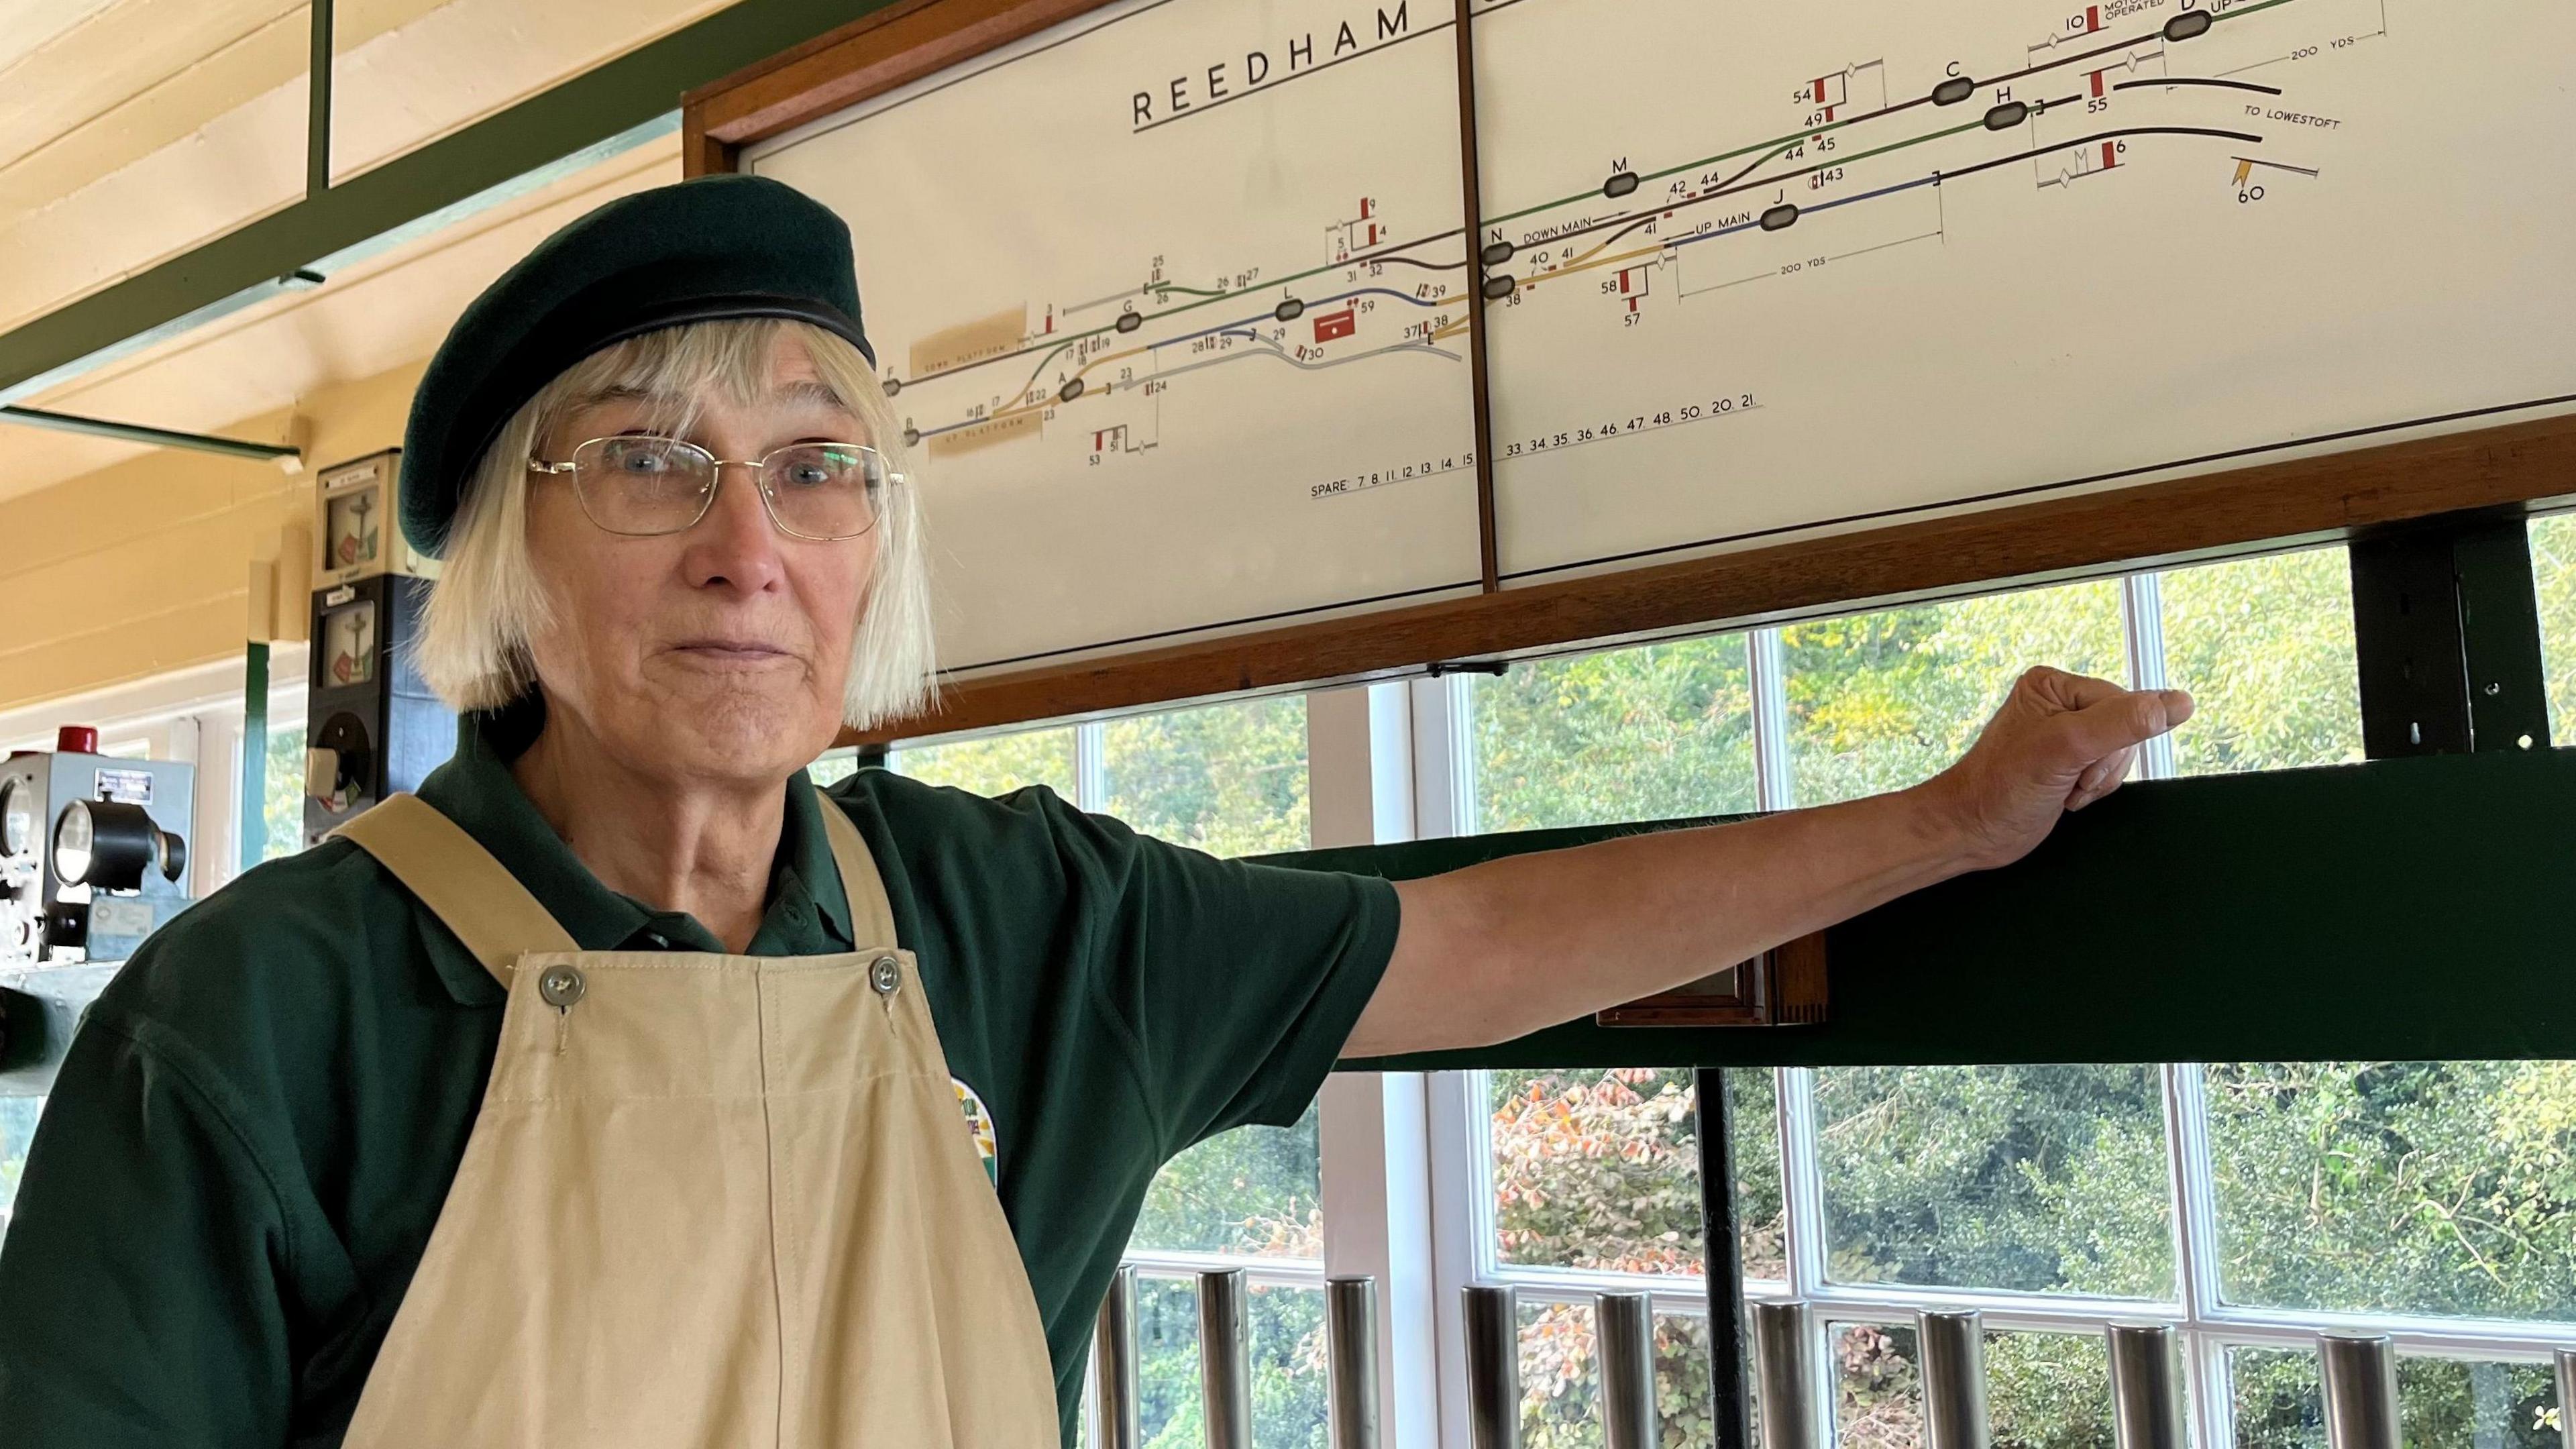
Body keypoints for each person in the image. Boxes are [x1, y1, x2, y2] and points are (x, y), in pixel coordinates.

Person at [0, 174, 2189, 1447]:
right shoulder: (255, 1026)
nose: (749, 549)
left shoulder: (1026, 926)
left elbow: (1488, 947)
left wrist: (1944, 822)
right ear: (505, 567)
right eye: (655, 465)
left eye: (817, 465)